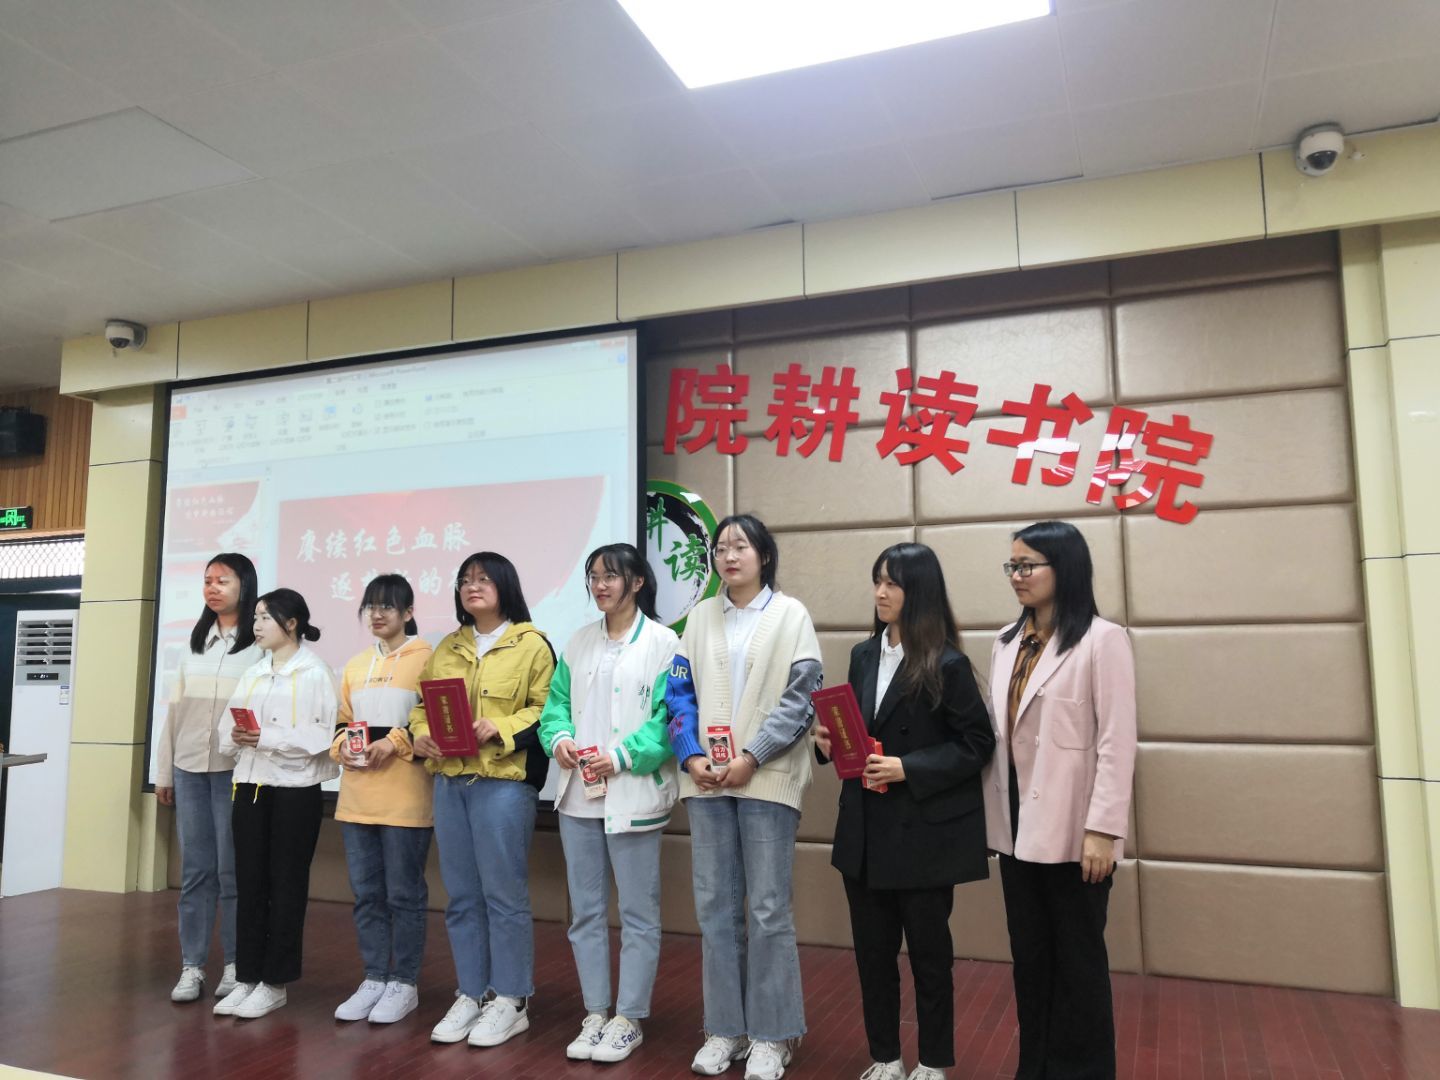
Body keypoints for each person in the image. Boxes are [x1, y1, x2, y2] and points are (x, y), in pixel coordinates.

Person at [815, 543, 994, 1080]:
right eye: (878, 581)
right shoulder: (863, 654)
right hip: (865, 832)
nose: (880, 592)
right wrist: (827, 743)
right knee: (872, 956)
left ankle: (933, 1061)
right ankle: (885, 1057)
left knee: (929, 958)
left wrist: (907, 767)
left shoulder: (947, 662)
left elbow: (976, 744)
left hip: (922, 835)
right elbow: (855, 732)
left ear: (920, 592)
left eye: (892, 583)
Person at [666, 513, 822, 1080]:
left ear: (764, 555)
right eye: (722, 548)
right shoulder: (700, 617)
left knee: (767, 909)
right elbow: (678, 692)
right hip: (707, 781)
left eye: (742, 546)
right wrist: (691, 755)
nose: (730, 556)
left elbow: (802, 697)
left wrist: (751, 756)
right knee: (715, 908)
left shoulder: (791, 615)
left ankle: (773, 1035)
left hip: (767, 778)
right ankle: (725, 1029)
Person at [982, 521, 1137, 1080]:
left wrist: (1103, 830)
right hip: (1016, 827)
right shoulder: (1005, 643)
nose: (1016, 576)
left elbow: (1117, 742)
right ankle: (1035, 1068)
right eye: (1012, 565)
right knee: (1030, 961)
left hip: (1076, 832)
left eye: (1027, 565)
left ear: (1064, 568)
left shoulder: (1102, 640)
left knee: (1078, 964)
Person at [538, 543, 680, 1065]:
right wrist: (560, 740)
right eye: (593, 576)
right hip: (580, 797)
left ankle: (629, 1018)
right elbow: (555, 707)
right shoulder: (578, 641)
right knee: (586, 914)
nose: (599, 585)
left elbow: (668, 720)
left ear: (637, 582)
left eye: (610, 576)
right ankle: (596, 1012)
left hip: (634, 795)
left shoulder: (664, 643)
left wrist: (621, 757)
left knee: (638, 914)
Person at [408, 552, 554, 1048]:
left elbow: (547, 710)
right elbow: (421, 706)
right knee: (462, 897)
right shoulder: (447, 646)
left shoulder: (531, 644)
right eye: (465, 580)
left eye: (483, 579)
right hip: (451, 783)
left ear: (505, 586)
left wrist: (501, 726)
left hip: (503, 784)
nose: (472, 587)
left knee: (503, 896)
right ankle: (471, 992)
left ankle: (511, 1000)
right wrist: (421, 734)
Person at [214, 588, 340, 1020]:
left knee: (286, 885)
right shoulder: (253, 672)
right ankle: (247, 976)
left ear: (292, 623)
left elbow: (321, 736)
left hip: (294, 789)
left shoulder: (315, 672)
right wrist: (237, 737)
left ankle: (275, 982)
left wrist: (265, 738)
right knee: (249, 883)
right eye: (255, 618)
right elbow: (226, 729)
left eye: (265, 617)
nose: (256, 625)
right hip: (250, 784)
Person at [329, 574, 435, 1025]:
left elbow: (432, 720)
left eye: (387, 606)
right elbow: (341, 723)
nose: (377, 614)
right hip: (356, 798)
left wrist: (394, 742)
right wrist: (343, 747)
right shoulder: (355, 665)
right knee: (367, 894)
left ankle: (403, 983)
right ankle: (374, 977)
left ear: (408, 612)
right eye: (371, 606)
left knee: (404, 894)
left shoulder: (428, 658)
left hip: (406, 799)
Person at [156, 553, 261, 1004]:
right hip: (189, 769)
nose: (213, 588)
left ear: (245, 585)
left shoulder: (259, 644)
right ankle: (192, 966)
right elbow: (174, 712)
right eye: (207, 581)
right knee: (196, 871)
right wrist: (164, 770)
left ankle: (236, 964)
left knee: (232, 870)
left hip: (234, 771)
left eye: (223, 580)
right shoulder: (193, 643)